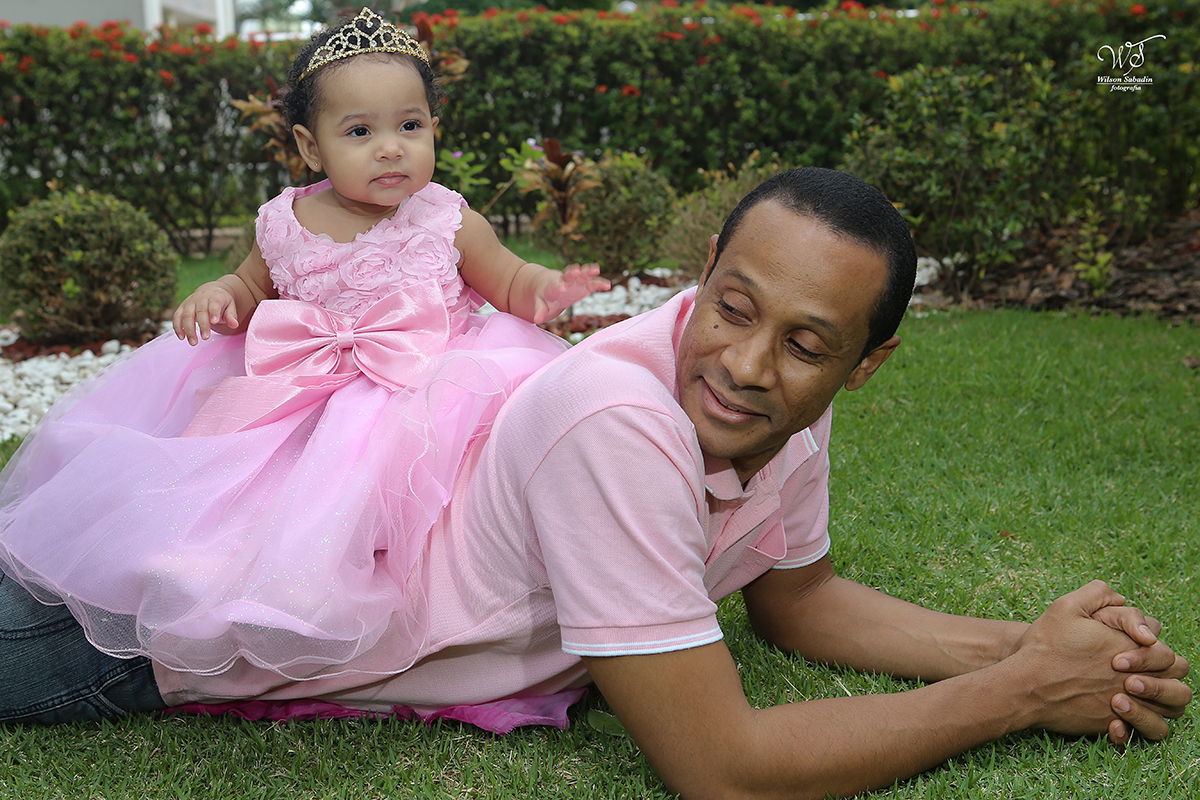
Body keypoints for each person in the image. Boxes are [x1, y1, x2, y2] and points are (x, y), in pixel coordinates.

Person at [1, 168, 1190, 799]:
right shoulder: (618, 422)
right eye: (733, 306)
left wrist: (1036, 645)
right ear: (706, 270)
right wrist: (1018, 692)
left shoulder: (774, 404)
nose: (747, 363)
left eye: (805, 342)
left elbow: (799, 600)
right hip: (146, 633)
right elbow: (721, 766)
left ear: (864, 363)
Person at [0, 8, 607, 680]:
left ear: (434, 127)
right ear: (311, 146)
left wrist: (547, 289)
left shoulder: (448, 218)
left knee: (433, 496)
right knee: (258, 495)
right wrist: (221, 297)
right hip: (306, 397)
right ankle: (257, 582)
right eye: (360, 131)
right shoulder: (284, 221)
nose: (391, 147)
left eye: (410, 126)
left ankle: (440, 596)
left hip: (426, 391)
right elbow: (249, 286)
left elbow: (511, 280)